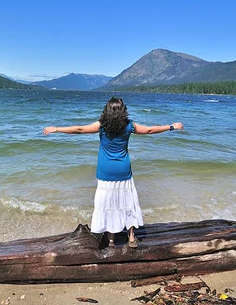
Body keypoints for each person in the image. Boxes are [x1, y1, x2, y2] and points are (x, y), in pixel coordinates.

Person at [43, 97, 184, 248]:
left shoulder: (102, 126)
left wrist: (57, 129)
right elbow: (150, 130)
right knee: (127, 202)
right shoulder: (129, 126)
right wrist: (171, 126)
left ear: (107, 110)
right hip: (123, 170)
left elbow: (80, 129)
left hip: (106, 172)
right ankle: (131, 237)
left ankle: (111, 239)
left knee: (108, 203)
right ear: (123, 111)